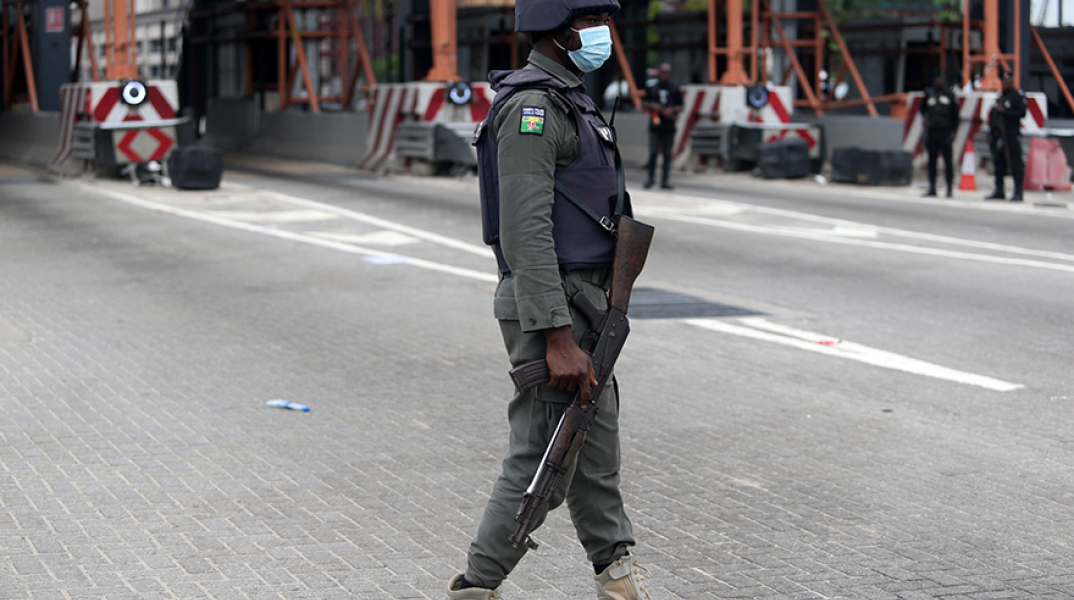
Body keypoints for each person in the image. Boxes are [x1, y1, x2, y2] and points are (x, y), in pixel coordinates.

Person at [453, 1, 653, 599]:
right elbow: (525, 230)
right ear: (558, 29)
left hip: (588, 301)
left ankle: (618, 581)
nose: (604, 33)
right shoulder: (533, 109)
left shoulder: (573, 99)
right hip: (555, 305)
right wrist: (557, 334)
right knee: (544, 452)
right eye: (592, 20)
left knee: (591, 445)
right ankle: (475, 586)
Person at [986, 71, 1027, 202]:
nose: (1005, 84)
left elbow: (1021, 113)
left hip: (1011, 135)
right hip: (999, 136)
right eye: (1003, 81)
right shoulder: (999, 98)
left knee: (1016, 164)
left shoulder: (1017, 97)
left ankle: (1018, 192)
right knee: (999, 164)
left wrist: (1006, 112)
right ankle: (999, 190)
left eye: (1008, 81)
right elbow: (992, 115)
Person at [641, 63, 683, 190]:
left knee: (667, 154)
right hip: (655, 124)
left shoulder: (674, 88)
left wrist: (671, 110)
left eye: (666, 72)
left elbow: (680, 105)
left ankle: (665, 180)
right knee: (653, 152)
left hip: (669, 125)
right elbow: (644, 103)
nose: (664, 75)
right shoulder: (652, 88)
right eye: (662, 72)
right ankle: (650, 178)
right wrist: (655, 107)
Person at [920, 70, 959, 197]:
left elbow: (955, 115)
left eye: (941, 79)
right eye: (937, 79)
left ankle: (949, 188)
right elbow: (922, 110)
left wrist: (953, 132)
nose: (939, 81)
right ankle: (932, 187)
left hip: (945, 132)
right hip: (932, 132)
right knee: (932, 161)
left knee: (948, 161)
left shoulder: (949, 95)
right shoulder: (929, 94)